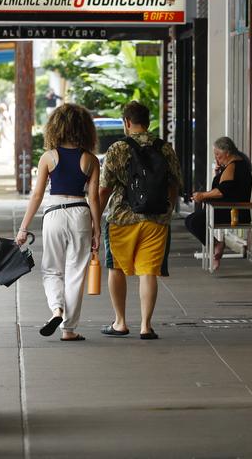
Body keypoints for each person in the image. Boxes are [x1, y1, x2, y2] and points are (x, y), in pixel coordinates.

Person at [15, 104, 101, 341]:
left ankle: (56, 309)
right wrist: (97, 229)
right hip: (80, 213)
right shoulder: (90, 160)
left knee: (52, 269)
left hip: (54, 213)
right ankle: (69, 329)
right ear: (85, 129)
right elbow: (93, 198)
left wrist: (23, 228)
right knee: (76, 273)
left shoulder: (48, 157)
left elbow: (37, 195)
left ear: (55, 127)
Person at [99, 101, 182, 340]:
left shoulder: (117, 149)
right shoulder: (165, 148)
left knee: (116, 268)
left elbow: (104, 189)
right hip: (156, 219)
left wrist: (96, 218)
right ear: (147, 121)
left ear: (127, 122)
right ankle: (146, 326)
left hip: (121, 220)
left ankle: (120, 322)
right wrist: (168, 210)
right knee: (148, 271)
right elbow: (174, 184)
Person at [185, 137, 252, 270]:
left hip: (235, 213)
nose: (216, 157)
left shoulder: (234, 166)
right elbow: (222, 188)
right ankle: (216, 245)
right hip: (229, 209)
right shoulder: (231, 165)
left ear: (227, 152)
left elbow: (221, 192)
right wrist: (217, 172)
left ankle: (216, 245)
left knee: (193, 221)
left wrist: (202, 195)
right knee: (191, 220)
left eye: (217, 154)